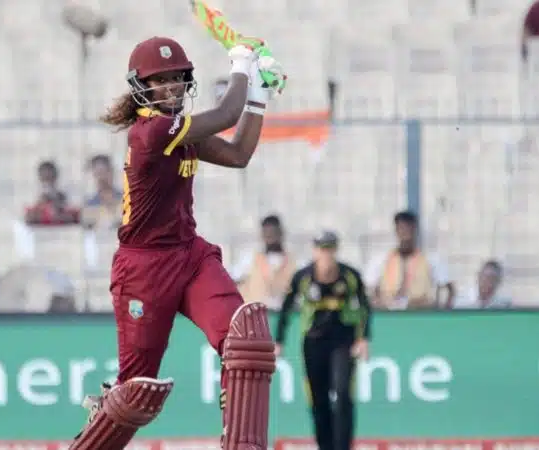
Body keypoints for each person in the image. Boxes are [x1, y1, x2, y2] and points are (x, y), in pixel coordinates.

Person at [69, 36, 286, 450]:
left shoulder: (176, 129)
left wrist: (257, 94)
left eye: (176, 78)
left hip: (190, 256)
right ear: (142, 87)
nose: (171, 87)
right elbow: (226, 113)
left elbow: (238, 154)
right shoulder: (151, 132)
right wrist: (241, 66)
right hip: (143, 270)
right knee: (136, 394)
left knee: (245, 339)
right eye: (160, 80)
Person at [275, 231, 371, 450]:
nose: (326, 254)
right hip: (314, 342)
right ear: (315, 251)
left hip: (342, 341)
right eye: (322, 249)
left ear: (336, 250)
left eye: (330, 249)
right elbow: (286, 308)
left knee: (343, 394)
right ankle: (325, 446)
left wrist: (364, 338)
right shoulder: (303, 277)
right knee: (318, 399)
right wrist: (279, 341)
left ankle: (343, 446)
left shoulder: (349, 276)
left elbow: (365, 306)